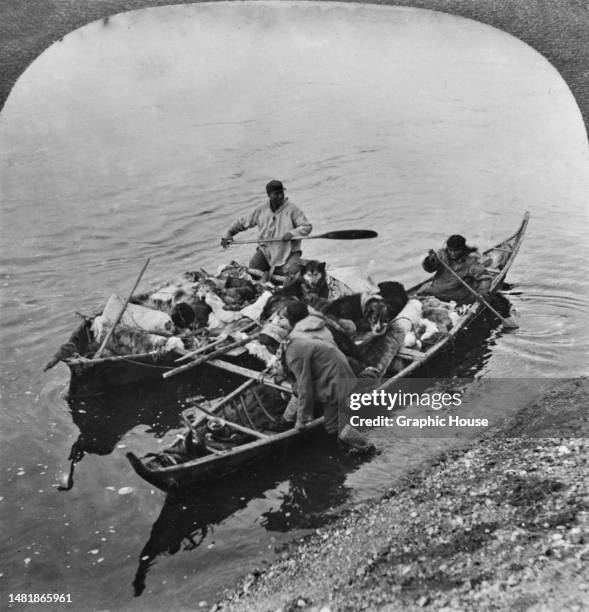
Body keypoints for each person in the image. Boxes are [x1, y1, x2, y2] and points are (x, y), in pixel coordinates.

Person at [258, 323, 373, 451]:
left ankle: (367, 446)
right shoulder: (290, 344)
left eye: (267, 346)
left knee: (333, 426)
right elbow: (293, 369)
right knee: (299, 391)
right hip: (329, 371)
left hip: (334, 379)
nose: (267, 350)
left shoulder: (293, 354)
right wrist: (283, 375)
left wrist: (301, 421)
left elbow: (304, 388)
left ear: (272, 346)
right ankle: (287, 421)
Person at [220, 180, 312, 277]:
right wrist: (228, 233)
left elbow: (307, 227)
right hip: (267, 252)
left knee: (294, 271)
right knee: (254, 267)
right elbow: (243, 222)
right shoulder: (261, 209)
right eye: (276, 194)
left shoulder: (292, 209)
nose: (280, 196)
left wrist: (292, 233)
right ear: (269, 195)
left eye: (281, 193)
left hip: (289, 252)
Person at [420, 234, 492, 304]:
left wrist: (482, 292)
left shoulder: (470, 262)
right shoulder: (442, 255)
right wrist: (430, 261)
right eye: (450, 250)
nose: (452, 253)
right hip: (437, 291)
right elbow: (430, 269)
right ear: (447, 248)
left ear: (462, 249)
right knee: (422, 291)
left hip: (456, 295)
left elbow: (485, 278)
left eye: (456, 250)